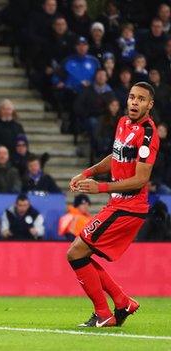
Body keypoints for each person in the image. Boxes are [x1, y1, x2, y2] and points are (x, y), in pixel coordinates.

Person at [67, 82, 159, 328]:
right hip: (116, 204)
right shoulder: (123, 123)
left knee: (76, 252)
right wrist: (88, 172)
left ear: (150, 105)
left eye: (141, 99)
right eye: (131, 97)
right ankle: (121, 302)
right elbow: (115, 157)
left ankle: (104, 313)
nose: (134, 102)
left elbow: (141, 179)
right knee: (81, 254)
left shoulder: (149, 133)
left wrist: (101, 186)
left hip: (130, 207)